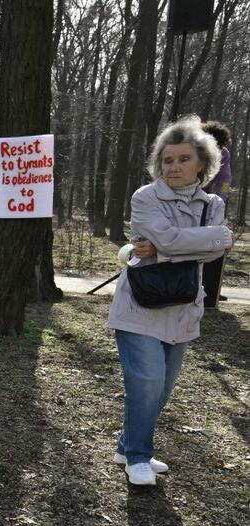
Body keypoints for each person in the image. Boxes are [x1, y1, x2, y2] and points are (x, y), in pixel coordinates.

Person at [107, 115, 231, 486]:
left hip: (182, 309)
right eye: (167, 160)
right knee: (146, 381)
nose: (173, 167)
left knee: (161, 388)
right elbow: (186, 241)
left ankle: (126, 445)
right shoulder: (145, 197)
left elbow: (214, 251)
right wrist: (198, 240)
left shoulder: (213, 205)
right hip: (140, 306)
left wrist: (163, 247)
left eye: (183, 159)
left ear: (203, 165)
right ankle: (139, 458)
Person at [201, 121, 233, 307]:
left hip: (209, 200)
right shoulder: (194, 148)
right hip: (189, 196)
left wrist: (220, 198)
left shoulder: (224, 154)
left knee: (214, 243)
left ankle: (212, 289)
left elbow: (225, 179)